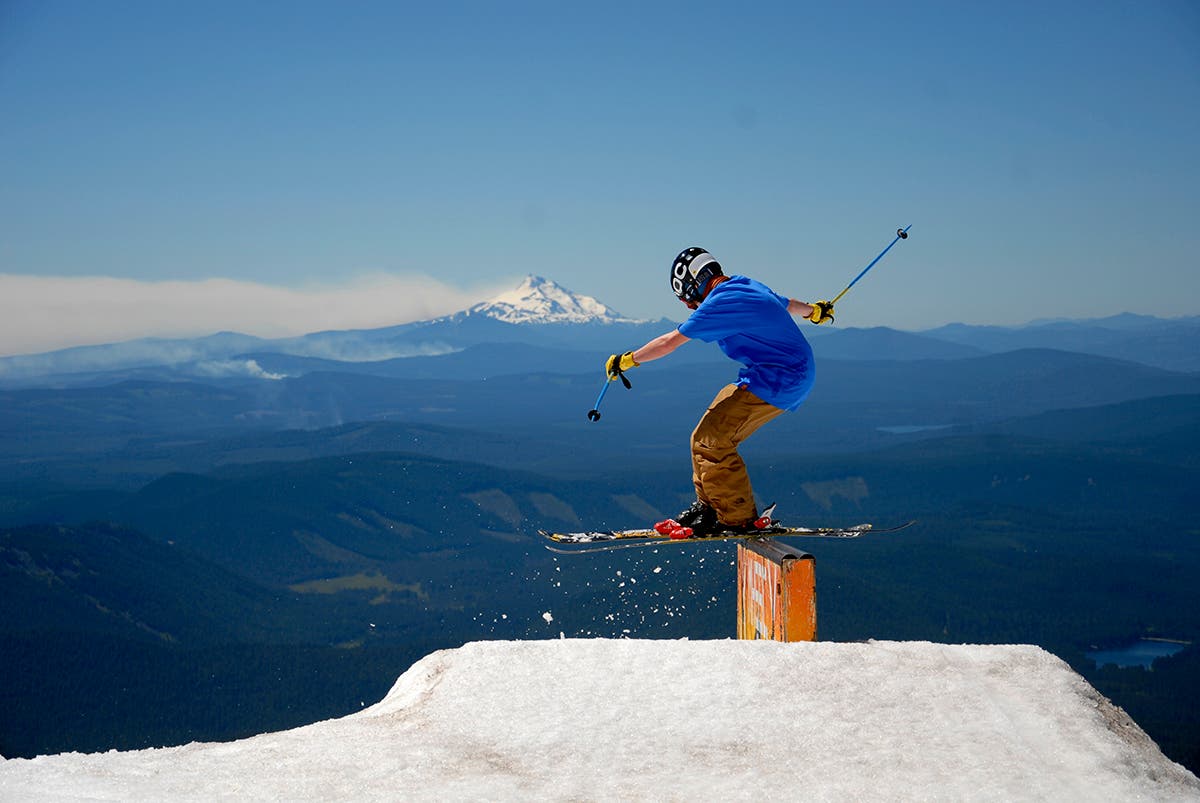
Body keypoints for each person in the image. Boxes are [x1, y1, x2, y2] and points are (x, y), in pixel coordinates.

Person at [605, 247, 834, 537]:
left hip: (780, 378)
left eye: (686, 298)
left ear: (694, 284)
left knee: (713, 441)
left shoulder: (719, 304)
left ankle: (737, 518)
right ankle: (709, 507)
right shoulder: (744, 284)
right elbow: (786, 304)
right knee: (702, 437)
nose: (689, 307)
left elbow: (668, 342)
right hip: (776, 372)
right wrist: (815, 311)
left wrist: (627, 360)